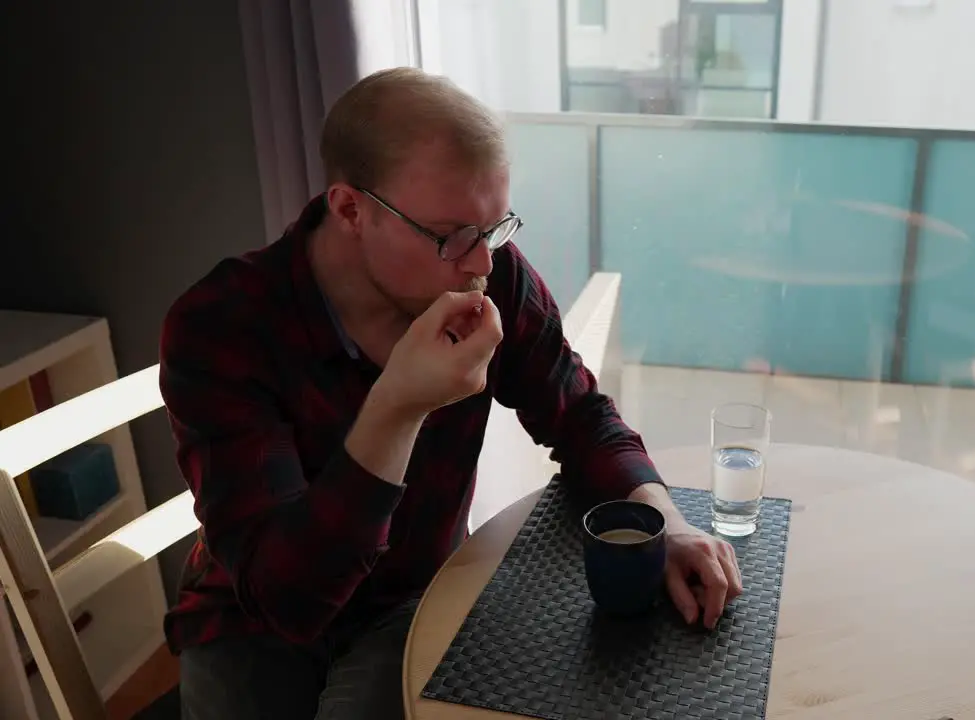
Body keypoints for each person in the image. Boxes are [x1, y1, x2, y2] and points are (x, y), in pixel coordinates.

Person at [159, 67, 743, 720]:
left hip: (415, 602)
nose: (482, 264)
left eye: (496, 228)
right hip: (251, 620)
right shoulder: (222, 326)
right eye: (451, 236)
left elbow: (580, 415)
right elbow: (288, 600)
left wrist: (664, 521)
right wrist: (398, 405)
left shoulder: (489, 278)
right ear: (351, 209)